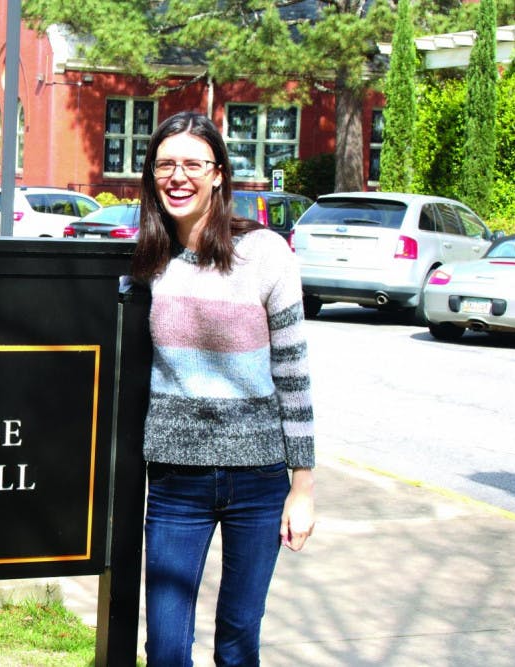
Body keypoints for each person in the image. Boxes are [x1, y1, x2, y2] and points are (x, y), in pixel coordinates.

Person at [130, 111, 316, 666]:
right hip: (174, 481)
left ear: (218, 174)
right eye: (165, 164)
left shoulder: (265, 254)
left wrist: (301, 488)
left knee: (237, 641)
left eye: (192, 163)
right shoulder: (145, 260)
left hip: (257, 482)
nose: (177, 176)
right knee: (165, 647)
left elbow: (293, 373)